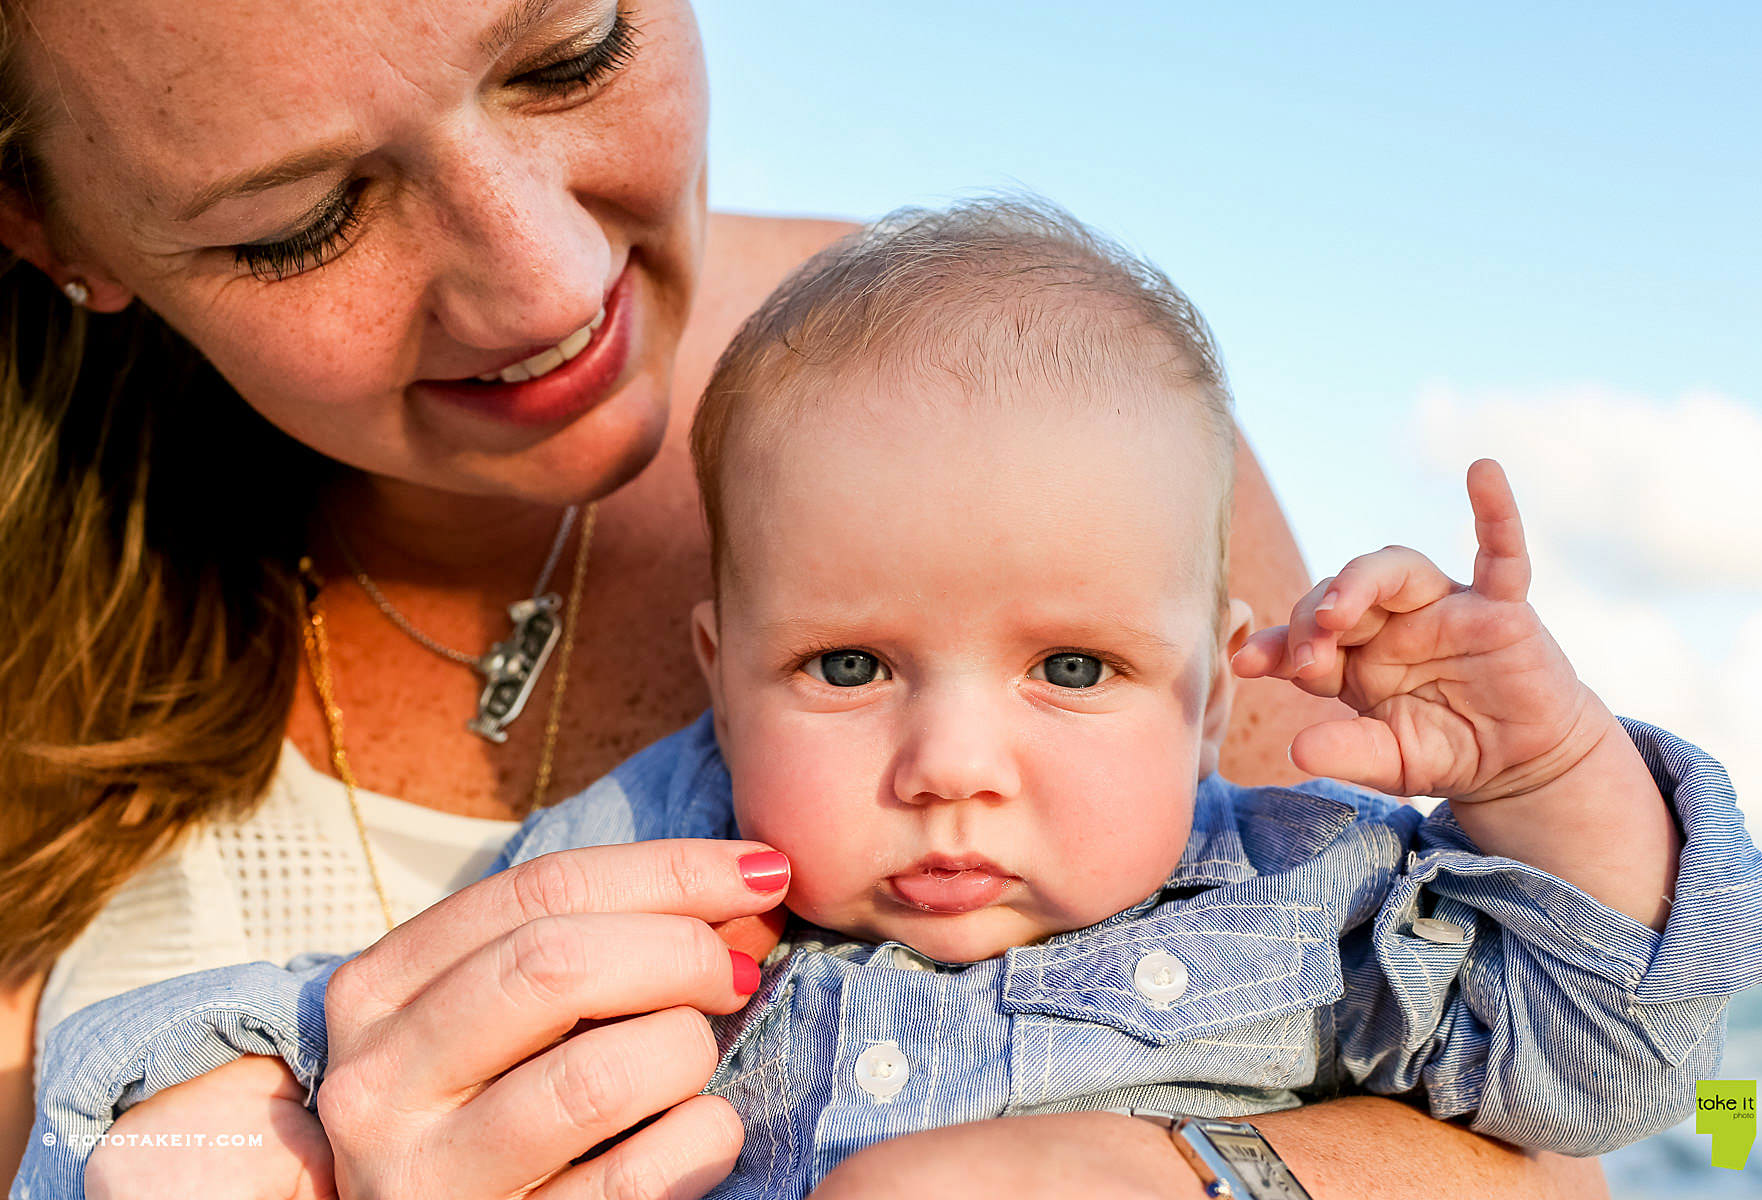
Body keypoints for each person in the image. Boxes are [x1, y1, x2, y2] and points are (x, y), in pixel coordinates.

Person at [0, 0, 1626, 1195]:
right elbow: (151, 1115)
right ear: (49, 225)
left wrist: (1178, 1172)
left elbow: (1594, 1127)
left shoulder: (1059, 407)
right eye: (306, 221)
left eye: (573, 52)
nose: (553, 285)